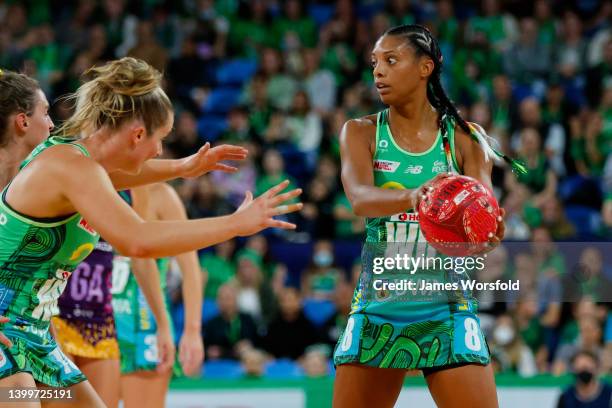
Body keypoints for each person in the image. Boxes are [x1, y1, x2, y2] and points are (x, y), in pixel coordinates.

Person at [0, 57, 302, 407]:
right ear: (138, 133)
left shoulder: (77, 161)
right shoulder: (72, 167)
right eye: (160, 139)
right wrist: (235, 224)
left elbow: (113, 175)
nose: (159, 150)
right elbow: (137, 240)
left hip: (32, 334)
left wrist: (184, 168)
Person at [333, 25, 523, 408]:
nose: (377, 72)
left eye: (391, 60)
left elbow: (482, 210)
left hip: (447, 305)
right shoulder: (361, 132)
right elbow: (358, 198)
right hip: (380, 305)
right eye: (374, 63)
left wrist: (488, 234)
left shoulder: (466, 136)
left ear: (426, 68)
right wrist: (414, 195)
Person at [114, 183, 204, 408]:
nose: (157, 151)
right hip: (91, 322)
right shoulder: (91, 186)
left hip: (144, 326)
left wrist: (192, 330)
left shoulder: (161, 195)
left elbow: (190, 267)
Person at [0, 69, 55, 351]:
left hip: (30, 330)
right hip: (8, 336)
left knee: (66, 398)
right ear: (22, 121)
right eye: (45, 114)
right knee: (21, 397)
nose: (52, 124)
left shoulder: (35, 181)